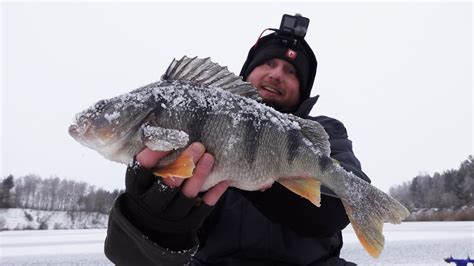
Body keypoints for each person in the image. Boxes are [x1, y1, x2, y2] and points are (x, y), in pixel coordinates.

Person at [104, 17, 370, 266]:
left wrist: (257, 169)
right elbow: (130, 258)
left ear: (303, 90)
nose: (276, 74)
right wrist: (150, 224)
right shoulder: (195, 120)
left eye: (291, 71)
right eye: (267, 63)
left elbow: (336, 209)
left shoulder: (325, 131)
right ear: (245, 75)